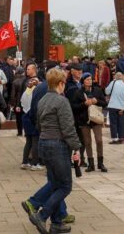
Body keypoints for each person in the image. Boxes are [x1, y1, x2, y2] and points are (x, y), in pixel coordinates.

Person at [25, 67, 81, 234]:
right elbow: (68, 128)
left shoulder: (43, 100)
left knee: (55, 183)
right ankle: (41, 215)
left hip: (43, 143)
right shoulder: (61, 101)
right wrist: (76, 147)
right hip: (57, 145)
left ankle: (56, 223)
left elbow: (38, 122)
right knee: (65, 186)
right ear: (60, 83)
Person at [70, 74, 108, 172]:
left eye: (90, 79)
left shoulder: (97, 90)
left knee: (99, 140)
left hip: (96, 119)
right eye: (87, 79)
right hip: (84, 120)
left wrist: (97, 101)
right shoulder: (78, 92)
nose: (89, 81)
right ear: (83, 81)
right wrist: (84, 104)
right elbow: (74, 107)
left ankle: (100, 163)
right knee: (87, 142)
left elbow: (104, 103)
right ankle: (91, 164)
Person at [21, 76, 43, 170]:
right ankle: (35, 163)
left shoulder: (26, 92)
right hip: (32, 118)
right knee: (35, 142)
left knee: (28, 142)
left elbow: (22, 103)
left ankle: (25, 162)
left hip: (25, 117)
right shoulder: (36, 93)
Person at [105, 72, 124, 145]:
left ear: (115, 77)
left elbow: (107, 92)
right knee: (121, 123)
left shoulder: (113, 82)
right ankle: (121, 138)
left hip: (113, 105)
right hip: (122, 107)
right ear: (122, 77)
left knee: (113, 123)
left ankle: (115, 138)